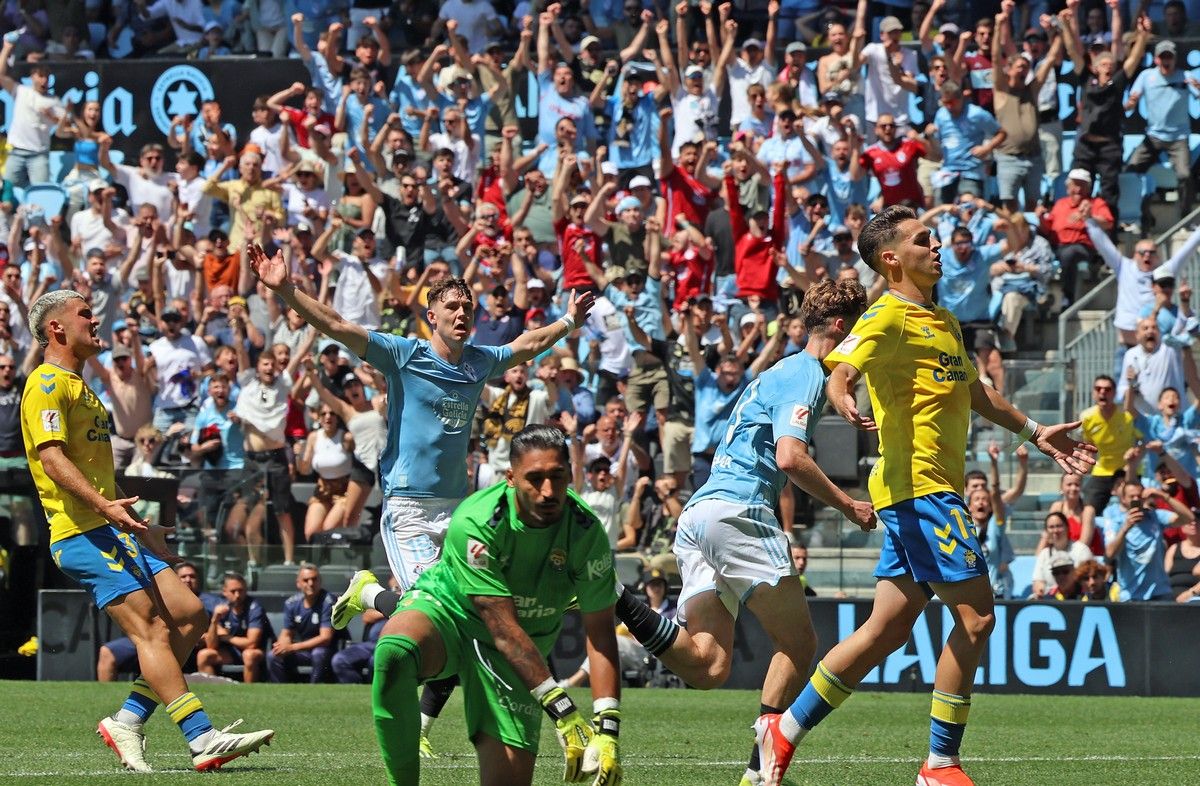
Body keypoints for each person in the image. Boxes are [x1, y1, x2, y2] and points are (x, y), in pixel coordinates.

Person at [755, 206, 1096, 786]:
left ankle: (783, 731)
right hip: (921, 491)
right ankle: (939, 765)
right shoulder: (887, 315)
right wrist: (841, 395)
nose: (935, 246)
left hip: (922, 491)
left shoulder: (942, 319)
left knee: (886, 629)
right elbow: (842, 365)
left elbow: (978, 392)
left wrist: (1035, 432)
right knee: (978, 619)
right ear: (891, 259)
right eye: (922, 240)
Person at [245, 241, 594, 752]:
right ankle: (369, 594)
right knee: (427, 612)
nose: (462, 314)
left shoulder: (478, 361)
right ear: (431, 316)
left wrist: (567, 321)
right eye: (452, 307)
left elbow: (524, 345)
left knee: (476, 614)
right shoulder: (404, 354)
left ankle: (443, 715)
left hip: (458, 511)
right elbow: (338, 325)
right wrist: (287, 290)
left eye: (468, 308)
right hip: (408, 508)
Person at [614, 279, 875, 786]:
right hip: (739, 510)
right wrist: (847, 505)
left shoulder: (779, 371)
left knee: (707, 666)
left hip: (698, 515)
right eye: (860, 329)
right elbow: (789, 457)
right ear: (841, 327)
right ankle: (761, 771)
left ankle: (614, 593)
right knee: (800, 646)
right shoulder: (804, 375)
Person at [20, 290, 273, 773]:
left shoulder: (82, 387)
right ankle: (201, 738)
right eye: (85, 315)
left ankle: (128, 720)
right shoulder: (46, 383)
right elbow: (52, 460)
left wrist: (139, 526)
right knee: (154, 630)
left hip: (113, 529)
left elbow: (93, 471)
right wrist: (106, 509)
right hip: (81, 533)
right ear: (56, 329)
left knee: (192, 616)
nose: (96, 323)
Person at [369, 424, 622, 785]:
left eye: (557, 477)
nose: (548, 491)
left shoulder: (587, 532)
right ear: (510, 478)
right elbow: (500, 624)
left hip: (519, 654)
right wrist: (564, 712)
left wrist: (607, 728)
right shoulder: (475, 521)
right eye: (534, 479)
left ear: (571, 474)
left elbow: (599, 633)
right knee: (394, 652)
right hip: (451, 613)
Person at [1100, 480, 1189, 601]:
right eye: (1132, 496)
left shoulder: (1155, 516)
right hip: (1130, 595)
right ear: (1124, 499)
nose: (1136, 499)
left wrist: (1164, 496)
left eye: (1139, 496)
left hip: (1160, 593)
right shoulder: (1117, 522)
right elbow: (1109, 555)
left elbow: (1188, 518)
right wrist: (1125, 528)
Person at [266, 563, 335, 683]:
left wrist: (291, 647)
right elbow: (287, 632)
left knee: (319, 653)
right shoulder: (291, 603)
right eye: (306, 580)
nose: (311, 583)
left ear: (320, 581)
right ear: (298, 583)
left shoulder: (328, 602)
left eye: (314, 579)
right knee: (273, 655)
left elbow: (325, 638)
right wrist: (283, 645)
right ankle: (280, 692)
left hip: (325, 650)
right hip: (303, 650)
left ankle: (314, 691)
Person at [196, 571, 267, 683]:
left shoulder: (254, 608)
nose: (237, 595)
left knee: (249, 655)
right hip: (231, 652)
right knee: (204, 655)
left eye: (241, 590)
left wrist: (226, 637)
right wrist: (215, 620)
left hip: (256, 652)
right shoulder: (221, 609)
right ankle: (213, 693)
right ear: (224, 592)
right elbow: (211, 645)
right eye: (233, 591)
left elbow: (251, 644)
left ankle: (249, 693)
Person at [1030, 512, 1093, 598]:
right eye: (1051, 527)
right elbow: (1037, 583)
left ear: (1067, 528)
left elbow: (1090, 580)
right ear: (1046, 531)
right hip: (1052, 599)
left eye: (1059, 526)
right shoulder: (1044, 554)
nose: (1055, 530)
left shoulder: (1081, 550)